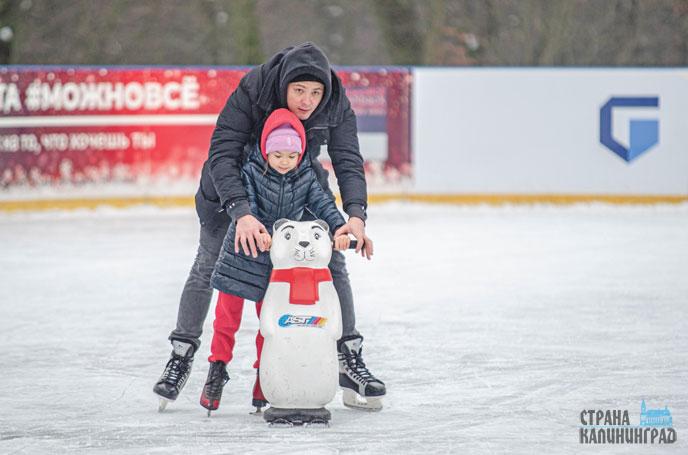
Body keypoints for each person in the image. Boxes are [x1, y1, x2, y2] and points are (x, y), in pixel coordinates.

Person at [153, 42, 386, 410]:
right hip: (229, 190)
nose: (307, 101)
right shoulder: (254, 88)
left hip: (297, 186)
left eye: (315, 92)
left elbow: (347, 158)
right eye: (299, 91)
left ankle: (348, 357)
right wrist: (241, 212)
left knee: (333, 260)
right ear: (283, 87)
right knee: (209, 263)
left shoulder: (336, 102)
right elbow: (222, 151)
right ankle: (181, 356)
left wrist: (354, 216)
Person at [199, 108, 352, 412]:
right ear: (266, 150)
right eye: (278, 154)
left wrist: (339, 226)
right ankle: (217, 368)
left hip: (274, 260)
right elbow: (249, 203)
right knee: (226, 319)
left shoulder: (305, 176)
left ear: (300, 155)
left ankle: (261, 379)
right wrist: (256, 225)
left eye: (291, 156)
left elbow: (323, 203)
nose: (285, 162)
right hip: (242, 251)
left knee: (269, 324)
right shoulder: (251, 171)